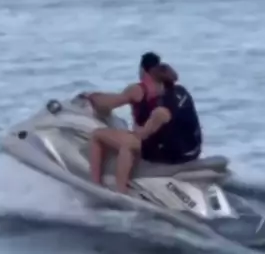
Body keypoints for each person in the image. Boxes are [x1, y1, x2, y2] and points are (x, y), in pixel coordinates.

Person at [86, 52, 202, 193]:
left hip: (172, 155)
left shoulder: (160, 110)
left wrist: (135, 131)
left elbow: (142, 134)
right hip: (192, 150)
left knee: (121, 142)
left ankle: (117, 191)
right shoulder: (182, 92)